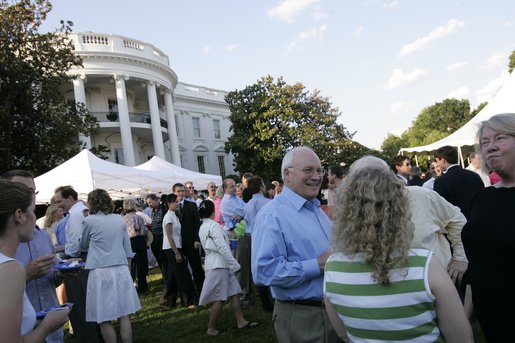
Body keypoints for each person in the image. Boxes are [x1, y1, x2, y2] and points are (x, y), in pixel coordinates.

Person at [324, 158, 473, 342]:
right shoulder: (424, 262)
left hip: (441, 288)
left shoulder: (421, 196)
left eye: (379, 177)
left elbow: (345, 334)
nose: (373, 185)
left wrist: (460, 257)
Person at [252, 146, 337, 343]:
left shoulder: (316, 210)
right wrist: (317, 264)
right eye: (308, 170)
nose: (317, 177)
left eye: (319, 170)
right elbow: (264, 271)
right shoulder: (271, 215)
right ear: (287, 175)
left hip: (332, 312)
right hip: (302, 317)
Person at [461, 113, 515, 341]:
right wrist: (464, 322)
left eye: (500, 138)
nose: (490, 147)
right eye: (485, 142)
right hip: (492, 324)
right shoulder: (480, 199)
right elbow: (477, 265)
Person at [0, 179, 70, 341]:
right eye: (32, 210)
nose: (35, 218)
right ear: (19, 215)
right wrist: (47, 325)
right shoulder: (11, 269)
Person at [80, 189, 140, 343]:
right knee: (123, 313)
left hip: (100, 271)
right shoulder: (118, 219)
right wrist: (128, 265)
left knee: (103, 317)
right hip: (120, 268)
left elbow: (83, 244)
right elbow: (127, 246)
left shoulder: (89, 221)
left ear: (91, 203)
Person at [197, 200, 257, 336]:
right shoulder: (214, 226)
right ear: (213, 211)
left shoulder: (203, 226)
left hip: (218, 264)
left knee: (234, 292)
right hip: (219, 266)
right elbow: (222, 248)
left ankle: (240, 321)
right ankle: (211, 328)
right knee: (220, 298)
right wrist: (235, 264)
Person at [54, 185, 100, 343]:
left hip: (79, 262)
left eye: (60, 201)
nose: (59, 205)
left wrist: (61, 251)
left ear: (70, 198)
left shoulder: (74, 215)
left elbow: (74, 246)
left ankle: (88, 338)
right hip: (92, 259)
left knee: (80, 304)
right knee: (92, 303)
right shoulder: (85, 210)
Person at [244, 176, 273, 312]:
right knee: (272, 264)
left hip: (254, 239)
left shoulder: (248, 205)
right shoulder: (269, 203)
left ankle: (264, 301)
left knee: (259, 264)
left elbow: (247, 223)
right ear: (262, 187)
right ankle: (273, 296)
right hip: (268, 237)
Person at [162, 193, 197, 308]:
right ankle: (188, 301)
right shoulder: (168, 217)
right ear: (168, 204)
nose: (177, 204)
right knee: (183, 275)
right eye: (175, 202)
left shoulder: (174, 215)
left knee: (173, 275)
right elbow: (169, 236)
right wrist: (176, 252)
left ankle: (167, 301)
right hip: (172, 248)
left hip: (176, 247)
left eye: (177, 202)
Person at [434, 145, 484, 218]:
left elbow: (440, 208)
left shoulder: (441, 181)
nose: (437, 164)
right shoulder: (474, 176)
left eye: (437, 161)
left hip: (457, 224)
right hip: (478, 219)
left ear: (443, 160)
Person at [172, 183, 205, 295]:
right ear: (174, 193)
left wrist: (197, 239)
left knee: (196, 267)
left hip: (191, 242)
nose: (181, 193)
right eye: (178, 191)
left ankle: (202, 289)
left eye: (182, 191)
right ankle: (187, 292)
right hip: (178, 243)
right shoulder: (171, 208)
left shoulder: (191, 205)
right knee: (182, 270)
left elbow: (197, 224)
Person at [122, 199, 149, 293]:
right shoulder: (138, 217)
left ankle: (131, 287)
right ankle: (143, 287)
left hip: (128, 243)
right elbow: (144, 231)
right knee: (142, 265)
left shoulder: (122, 219)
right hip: (139, 241)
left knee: (131, 265)